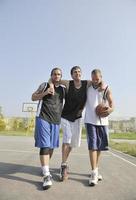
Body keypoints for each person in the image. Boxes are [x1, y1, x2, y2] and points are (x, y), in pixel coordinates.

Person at [31, 67, 65, 190]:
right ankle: (46, 175)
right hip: (43, 117)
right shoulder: (44, 85)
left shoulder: (63, 89)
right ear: (51, 75)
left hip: (56, 120)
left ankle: (45, 167)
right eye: (54, 74)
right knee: (45, 145)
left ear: (61, 76)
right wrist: (45, 92)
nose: (57, 76)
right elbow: (33, 97)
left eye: (59, 74)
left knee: (51, 147)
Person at [84, 69, 114, 186]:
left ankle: (96, 168)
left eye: (97, 79)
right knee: (93, 146)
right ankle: (94, 172)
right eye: (93, 78)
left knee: (99, 147)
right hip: (90, 120)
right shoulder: (87, 87)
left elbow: (112, 104)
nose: (95, 81)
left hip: (103, 122)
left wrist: (110, 110)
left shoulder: (106, 88)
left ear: (101, 78)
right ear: (91, 78)